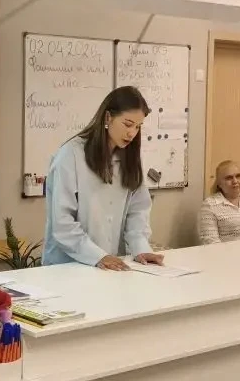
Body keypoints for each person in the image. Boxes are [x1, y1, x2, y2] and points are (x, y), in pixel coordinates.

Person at [42, 86, 164, 270]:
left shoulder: (130, 159)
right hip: (67, 267)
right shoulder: (70, 155)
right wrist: (98, 256)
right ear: (108, 118)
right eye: (128, 124)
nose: (132, 133)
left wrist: (140, 248)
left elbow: (137, 211)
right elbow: (63, 224)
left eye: (138, 127)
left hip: (109, 266)